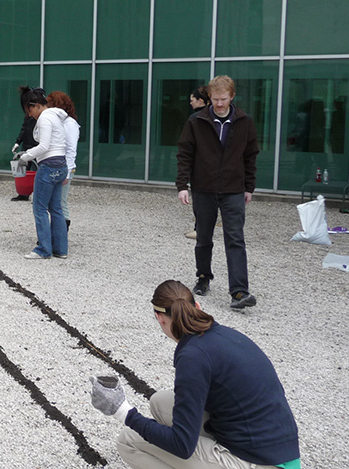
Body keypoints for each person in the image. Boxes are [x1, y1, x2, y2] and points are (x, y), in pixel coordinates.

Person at [89, 279, 300, 469]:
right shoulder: (222, 335)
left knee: (128, 440)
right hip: (281, 452)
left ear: (160, 318)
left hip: (259, 461)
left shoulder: (193, 357)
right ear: (197, 307)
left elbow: (182, 445)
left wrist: (122, 411)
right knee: (159, 402)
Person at [175, 75, 258, 309]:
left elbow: (250, 157)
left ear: (232, 97)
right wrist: (183, 185)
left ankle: (239, 291)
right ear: (209, 98)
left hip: (233, 189)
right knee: (203, 237)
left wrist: (249, 187)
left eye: (223, 99)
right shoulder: (196, 121)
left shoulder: (244, 122)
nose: (219, 104)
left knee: (235, 239)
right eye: (214, 100)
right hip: (203, 188)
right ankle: (203, 277)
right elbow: (185, 155)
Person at [13, 87, 69, 259]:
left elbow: (44, 146)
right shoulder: (56, 117)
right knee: (56, 208)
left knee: (39, 208)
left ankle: (44, 249)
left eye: (29, 110)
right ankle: (60, 249)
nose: (30, 115)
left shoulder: (44, 119)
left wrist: (26, 157)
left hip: (48, 166)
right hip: (61, 164)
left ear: (36, 105)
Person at [49, 92, 80, 234]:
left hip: (65, 168)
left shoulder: (70, 124)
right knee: (56, 202)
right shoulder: (60, 123)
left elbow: (71, 150)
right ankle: (57, 232)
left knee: (60, 202)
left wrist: (67, 173)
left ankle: (61, 233)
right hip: (59, 167)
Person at [184, 86, 210, 240]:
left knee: (201, 199)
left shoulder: (197, 119)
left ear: (200, 101)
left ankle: (200, 229)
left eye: (192, 100)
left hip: (202, 164)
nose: (190, 103)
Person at [10, 115, 38, 201]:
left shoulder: (41, 117)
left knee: (37, 170)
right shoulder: (28, 116)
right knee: (22, 169)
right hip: (26, 145)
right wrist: (18, 142)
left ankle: (37, 194)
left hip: (36, 146)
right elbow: (24, 129)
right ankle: (23, 193)